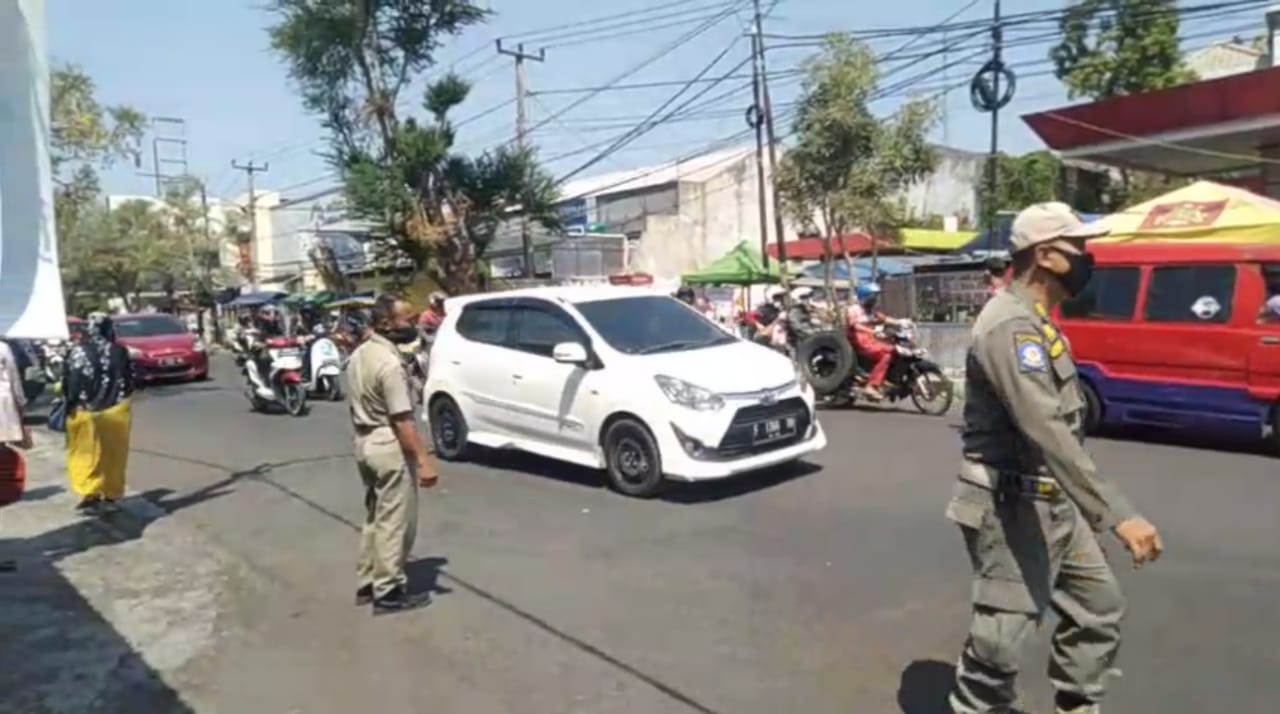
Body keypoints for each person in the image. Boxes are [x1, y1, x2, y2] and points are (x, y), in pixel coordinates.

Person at [946, 202, 1164, 714]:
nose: (1089, 260)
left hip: (1055, 499)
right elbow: (1045, 427)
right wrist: (1118, 515)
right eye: (1080, 250)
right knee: (1001, 638)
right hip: (1011, 503)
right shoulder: (1008, 327)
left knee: (1098, 609)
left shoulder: (1037, 321)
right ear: (1046, 256)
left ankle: (1078, 706)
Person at [346, 295, 439, 614]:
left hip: (364, 443)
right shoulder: (388, 363)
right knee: (395, 522)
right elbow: (402, 420)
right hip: (389, 446)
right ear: (386, 324)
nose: (414, 325)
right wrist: (424, 459)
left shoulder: (360, 355)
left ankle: (367, 582)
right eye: (407, 320)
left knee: (375, 516)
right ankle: (388, 591)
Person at [63, 313, 135, 514]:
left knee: (84, 453)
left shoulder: (77, 352)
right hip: (116, 410)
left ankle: (90, 493)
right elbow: (130, 380)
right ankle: (111, 494)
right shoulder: (119, 351)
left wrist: (70, 402)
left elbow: (71, 381)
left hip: (84, 410)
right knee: (114, 454)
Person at [845, 283, 898, 401]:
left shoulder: (871, 311)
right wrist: (872, 332)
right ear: (866, 296)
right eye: (874, 296)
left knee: (892, 351)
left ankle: (883, 380)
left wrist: (900, 322)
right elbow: (855, 326)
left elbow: (885, 319)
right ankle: (871, 386)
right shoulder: (854, 309)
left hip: (870, 339)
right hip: (859, 340)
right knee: (888, 352)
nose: (876, 299)